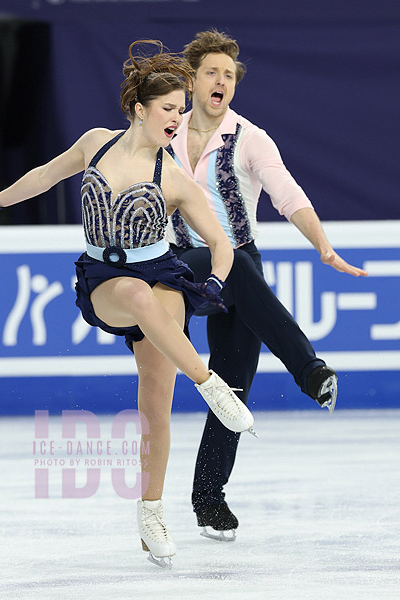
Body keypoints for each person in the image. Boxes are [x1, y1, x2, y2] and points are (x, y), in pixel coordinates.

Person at [0, 39, 257, 568]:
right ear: (139, 110)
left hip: (164, 274)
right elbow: (45, 175)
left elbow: (222, 242)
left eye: (182, 110)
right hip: (106, 278)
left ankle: (150, 513)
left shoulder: (175, 177)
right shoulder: (95, 144)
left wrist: (213, 282)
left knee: (154, 407)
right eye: (169, 108)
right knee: (137, 297)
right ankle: (211, 386)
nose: (178, 118)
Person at [166, 29, 368, 541]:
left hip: (238, 266)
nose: (222, 82)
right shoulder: (164, 131)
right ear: (191, 80)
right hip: (183, 265)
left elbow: (287, 193)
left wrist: (322, 245)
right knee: (230, 262)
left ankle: (209, 500)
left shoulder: (250, 138)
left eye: (230, 75)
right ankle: (308, 369)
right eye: (212, 72)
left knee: (233, 389)